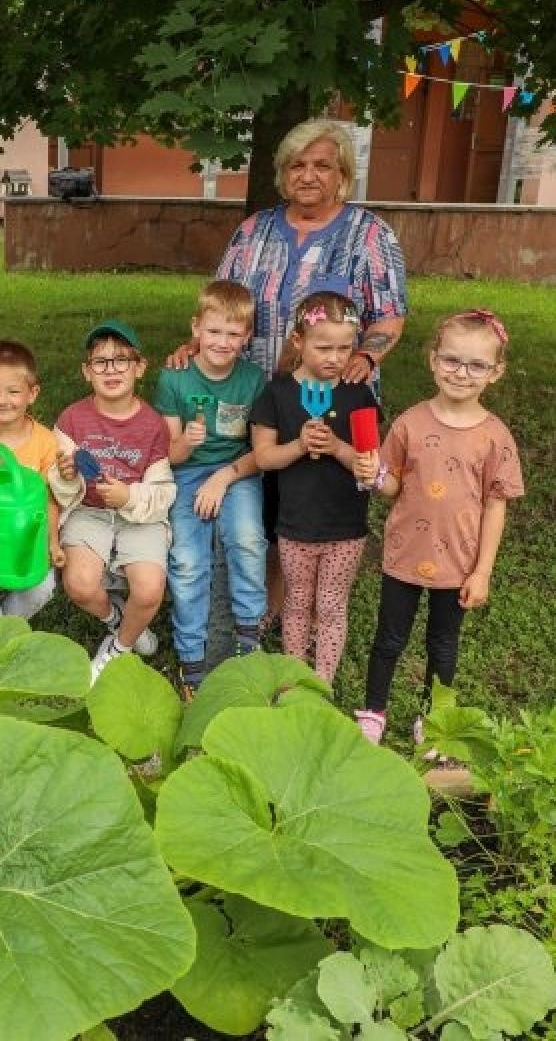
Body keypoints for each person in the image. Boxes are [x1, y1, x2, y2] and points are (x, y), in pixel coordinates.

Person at [169, 118, 410, 633]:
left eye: (322, 165)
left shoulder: (370, 234)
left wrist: (366, 356)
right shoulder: (253, 231)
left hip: (334, 393)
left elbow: (390, 313)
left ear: (342, 174)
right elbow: (223, 304)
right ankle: (264, 606)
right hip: (261, 394)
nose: (308, 175)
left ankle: (304, 602)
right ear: (283, 173)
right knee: (266, 493)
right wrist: (196, 345)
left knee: (314, 494)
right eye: (297, 164)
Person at [352, 309, 525, 744]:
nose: (461, 373)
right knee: (389, 638)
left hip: (459, 562)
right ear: (432, 360)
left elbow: (495, 506)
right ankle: (373, 711)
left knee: (442, 646)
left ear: (495, 373)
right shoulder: (411, 422)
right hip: (406, 553)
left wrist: (482, 570)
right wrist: (371, 473)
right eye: (451, 360)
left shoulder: (495, 437)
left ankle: (433, 719)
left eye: (477, 365)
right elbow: (392, 485)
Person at [251, 292, 380, 688]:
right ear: (298, 341)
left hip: (345, 526)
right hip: (294, 524)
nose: (335, 357)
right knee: (296, 602)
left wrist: (339, 448)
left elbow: (370, 465)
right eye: (323, 347)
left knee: (330, 605)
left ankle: (321, 682)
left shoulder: (359, 395)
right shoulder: (277, 394)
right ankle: (293, 679)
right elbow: (264, 458)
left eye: (345, 348)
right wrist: (300, 446)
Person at [153, 282, 266, 696]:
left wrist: (223, 477)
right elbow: (169, 454)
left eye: (233, 334)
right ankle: (192, 663)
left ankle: (248, 643)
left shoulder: (254, 380)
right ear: (196, 328)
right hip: (185, 474)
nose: (222, 342)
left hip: (238, 473)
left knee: (248, 539)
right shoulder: (174, 378)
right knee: (186, 561)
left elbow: (262, 451)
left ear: (247, 337)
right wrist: (186, 444)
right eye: (214, 331)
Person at [49, 320, 175, 681]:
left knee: (150, 590)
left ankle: (117, 648)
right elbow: (60, 489)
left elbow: (163, 491)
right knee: (80, 585)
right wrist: (67, 475)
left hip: (139, 515)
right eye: (101, 362)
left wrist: (128, 496)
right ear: (87, 372)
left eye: (122, 360)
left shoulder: (153, 425)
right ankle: (118, 621)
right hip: (88, 511)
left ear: (140, 367)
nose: (111, 369)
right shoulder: (73, 419)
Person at [0, 340, 63, 619]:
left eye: (14, 391)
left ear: (32, 393)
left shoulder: (44, 442)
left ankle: (12, 623)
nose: (3, 400)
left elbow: (50, 501)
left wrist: (52, 542)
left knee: (41, 587)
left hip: (29, 530)